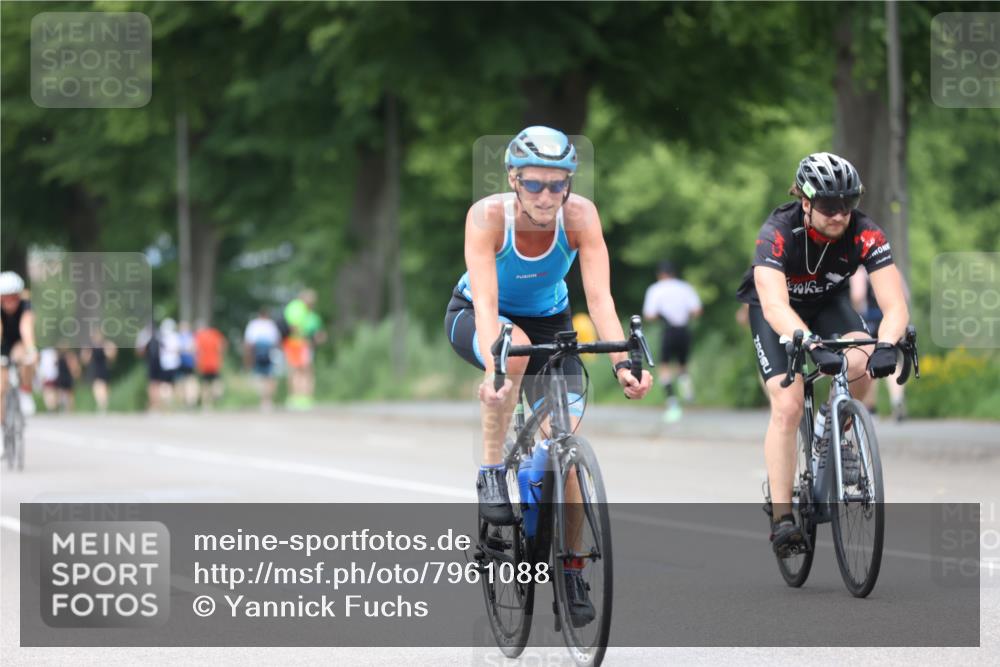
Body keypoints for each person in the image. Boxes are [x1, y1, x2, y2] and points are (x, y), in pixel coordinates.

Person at [443, 126, 652, 624]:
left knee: (566, 450)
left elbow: (599, 300)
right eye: (534, 184)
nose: (546, 196)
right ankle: (492, 472)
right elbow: (489, 303)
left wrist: (623, 363)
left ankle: (573, 568)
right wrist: (495, 369)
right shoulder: (487, 218)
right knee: (511, 352)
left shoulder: (580, 217)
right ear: (513, 179)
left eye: (557, 185)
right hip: (478, 313)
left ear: (569, 185)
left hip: (551, 321)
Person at [735, 152, 909, 556]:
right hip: (775, 312)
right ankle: (782, 518)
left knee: (864, 359)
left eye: (848, 204)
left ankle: (838, 431)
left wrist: (886, 345)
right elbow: (775, 306)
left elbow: (894, 305)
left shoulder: (865, 232)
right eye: (830, 206)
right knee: (788, 403)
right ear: (805, 201)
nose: (840, 215)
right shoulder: (777, 232)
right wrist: (809, 342)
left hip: (828, 303)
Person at [642, 260, 702, 422]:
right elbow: (697, 310)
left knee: (664, 366)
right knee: (683, 364)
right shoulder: (685, 287)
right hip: (684, 329)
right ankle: (688, 395)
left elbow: (649, 314)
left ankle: (672, 401)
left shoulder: (656, 289)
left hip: (668, 329)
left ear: (660, 274)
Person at [850, 266, 908, 421]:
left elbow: (858, 295)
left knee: (869, 362)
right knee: (892, 360)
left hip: (871, 321)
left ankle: (871, 408)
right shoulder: (892, 269)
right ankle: (897, 399)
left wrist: (854, 315)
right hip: (891, 320)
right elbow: (905, 296)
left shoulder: (861, 272)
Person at [0, 271, 37, 420]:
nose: (10, 303)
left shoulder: (26, 305)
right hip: (3, 343)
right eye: (5, 299)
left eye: (13, 298)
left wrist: (31, 349)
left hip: (19, 342)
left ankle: (25, 391)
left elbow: (26, 327)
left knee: (26, 357)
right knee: (1, 386)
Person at [282, 290, 325, 410]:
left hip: (298, 344)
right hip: (298, 344)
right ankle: (298, 397)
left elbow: (317, 332)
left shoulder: (310, 314)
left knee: (302, 371)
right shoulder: (299, 310)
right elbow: (294, 327)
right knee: (300, 371)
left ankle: (302, 397)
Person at [244, 308, 282, 411]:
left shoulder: (254, 324)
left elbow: (249, 342)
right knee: (269, 376)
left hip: (258, 350)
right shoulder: (271, 324)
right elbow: (276, 341)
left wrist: (248, 359)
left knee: (261, 377)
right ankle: (267, 400)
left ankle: (263, 400)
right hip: (267, 350)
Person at [80, 331, 117, 413]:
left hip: (103, 368)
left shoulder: (105, 345)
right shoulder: (90, 346)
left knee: (104, 388)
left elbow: (112, 356)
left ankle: (103, 405)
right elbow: (85, 359)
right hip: (94, 369)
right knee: (98, 387)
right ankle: (102, 405)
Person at [194, 320, 227, 409]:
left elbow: (196, 350)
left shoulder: (199, 336)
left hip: (204, 364)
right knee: (215, 381)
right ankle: (216, 395)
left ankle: (206, 405)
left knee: (205, 384)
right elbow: (221, 346)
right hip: (214, 363)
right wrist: (220, 356)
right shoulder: (214, 333)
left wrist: (197, 362)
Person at [176, 321, 199, 408]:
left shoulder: (179, 337)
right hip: (187, 362)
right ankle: (189, 401)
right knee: (188, 382)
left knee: (185, 382)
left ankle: (187, 401)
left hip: (185, 362)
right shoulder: (191, 336)